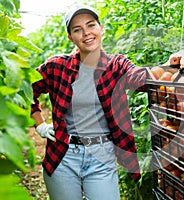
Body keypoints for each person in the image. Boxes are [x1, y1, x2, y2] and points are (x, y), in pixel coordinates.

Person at [31, 4, 146, 200]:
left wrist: (170, 67)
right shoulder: (57, 66)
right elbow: (24, 89)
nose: (86, 33)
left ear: (101, 28)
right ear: (70, 37)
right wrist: (40, 123)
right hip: (63, 156)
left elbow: (140, 78)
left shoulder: (116, 66)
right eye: (77, 29)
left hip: (101, 157)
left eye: (91, 25)